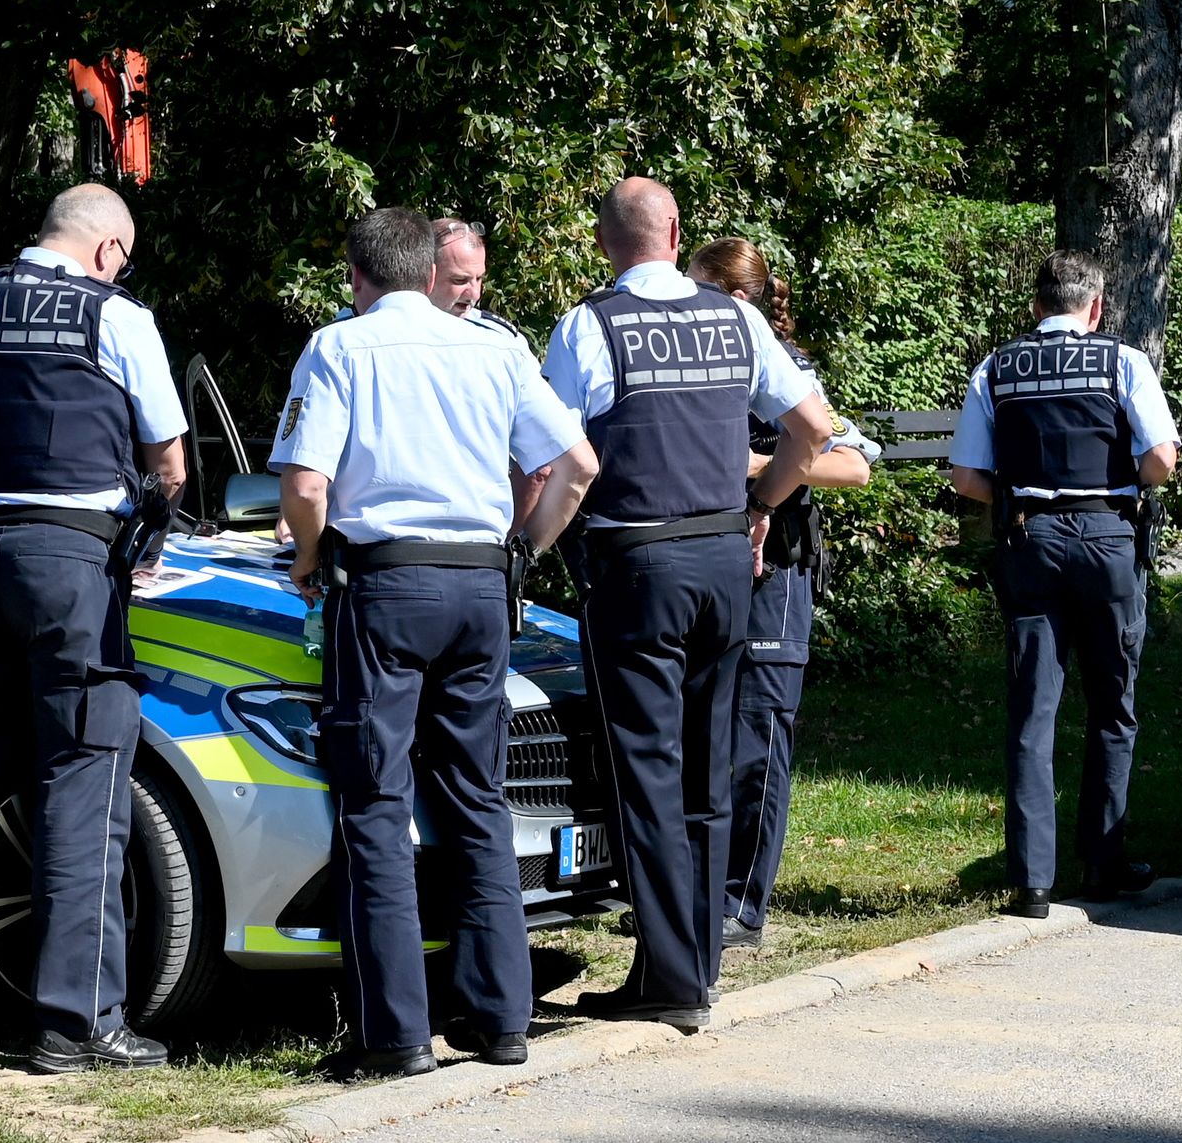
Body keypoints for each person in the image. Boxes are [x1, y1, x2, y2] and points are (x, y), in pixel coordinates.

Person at [271, 207, 600, 1078]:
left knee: (376, 804)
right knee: (476, 795)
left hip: (383, 584)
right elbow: (578, 465)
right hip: (479, 585)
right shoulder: (495, 347)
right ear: (428, 272)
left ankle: (396, 1035)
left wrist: (308, 556)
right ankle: (503, 1019)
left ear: (358, 276)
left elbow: (306, 483)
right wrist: (522, 554)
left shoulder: (340, 347)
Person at [540, 178, 846, 1027]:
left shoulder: (589, 324)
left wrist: (531, 541)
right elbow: (814, 427)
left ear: (605, 243)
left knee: (647, 769)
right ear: (678, 232)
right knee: (712, 769)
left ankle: (672, 979)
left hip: (637, 560)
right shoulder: (737, 318)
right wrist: (762, 504)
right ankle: (695, 963)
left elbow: (554, 449)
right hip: (723, 562)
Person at [0, 182, 191, 1071]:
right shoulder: (120, 316)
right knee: (83, 779)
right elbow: (169, 460)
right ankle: (76, 1024)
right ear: (108, 251)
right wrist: (150, 527)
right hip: (69, 564)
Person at [947, 249, 1182, 914]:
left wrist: (1023, 496)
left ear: (1036, 306)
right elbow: (1161, 460)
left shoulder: (997, 367)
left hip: (1030, 538)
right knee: (1113, 703)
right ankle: (1103, 861)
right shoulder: (1122, 361)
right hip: (1107, 535)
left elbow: (966, 479)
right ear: (1096, 306)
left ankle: (1032, 881)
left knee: (1032, 710)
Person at [684, 236, 871, 953]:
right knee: (705, 733)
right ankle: (696, 893)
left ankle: (742, 904)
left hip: (776, 575)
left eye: (702, 292)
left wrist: (760, 472)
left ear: (736, 299)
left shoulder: (787, 368)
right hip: (708, 567)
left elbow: (852, 465)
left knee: (758, 738)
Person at [427, 216, 527, 345]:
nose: (475, 294)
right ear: (426, 275)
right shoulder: (397, 337)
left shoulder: (502, 340)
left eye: (479, 278)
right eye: (460, 280)